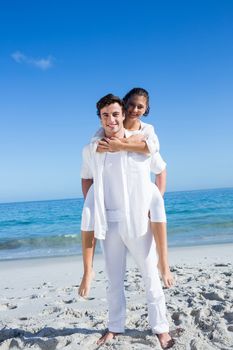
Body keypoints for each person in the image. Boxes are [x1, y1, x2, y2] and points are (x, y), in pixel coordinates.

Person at [80, 94, 174, 349]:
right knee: (113, 279)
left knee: (150, 276)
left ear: (124, 114)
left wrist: (155, 201)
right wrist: (94, 203)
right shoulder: (92, 148)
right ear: (100, 118)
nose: (111, 119)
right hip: (109, 222)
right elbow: (86, 178)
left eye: (115, 114)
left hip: (137, 222)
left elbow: (160, 168)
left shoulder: (143, 142)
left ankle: (161, 329)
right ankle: (115, 327)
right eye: (105, 115)